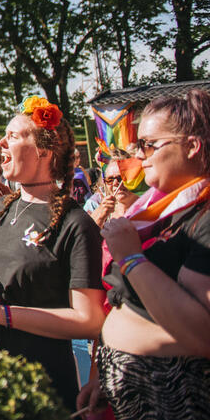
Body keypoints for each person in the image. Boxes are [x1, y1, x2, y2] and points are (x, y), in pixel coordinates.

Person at [77, 89, 210, 420]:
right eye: (138, 146)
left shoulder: (205, 216)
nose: (140, 156)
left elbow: (200, 333)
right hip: (129, 390)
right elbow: (121, 304)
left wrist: (132, 259)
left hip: (176, 396)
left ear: (192, 147)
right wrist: (101, 376)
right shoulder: (153, 210)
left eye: (150, 144)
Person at [0, 97, 104, 410]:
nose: (0, 142)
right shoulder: (0, 207)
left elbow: (89, 320)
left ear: (44, 151)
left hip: (40, 385)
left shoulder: (75, 223)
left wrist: (2, 315)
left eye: (14, 136)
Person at [85, 158, 141, 228]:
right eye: (110, 180)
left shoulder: (147, 207)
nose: (115, 183)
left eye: (120, 178)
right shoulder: (104, 212)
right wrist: (99, 219)